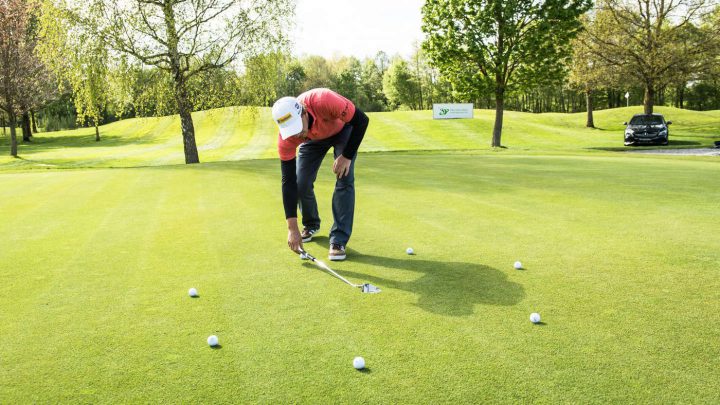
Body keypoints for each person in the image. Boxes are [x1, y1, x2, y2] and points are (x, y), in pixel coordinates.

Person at [272, 88, 370, 261]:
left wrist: (346, 156)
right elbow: (288, 182)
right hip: (312, 141)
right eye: (291, 130)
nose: (296, 134)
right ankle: (311, 224)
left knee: (344, 177)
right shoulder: (289, 137)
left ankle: (338, 240)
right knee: (301, 184)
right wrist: (292, 229)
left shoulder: (323, 100)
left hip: (343, 130)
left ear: (303, 111)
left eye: (296, 127)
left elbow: (362, 121)